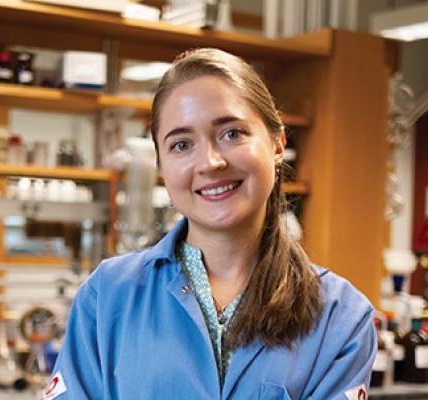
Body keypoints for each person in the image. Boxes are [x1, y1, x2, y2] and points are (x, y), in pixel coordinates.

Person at [45, 48, 376, 400]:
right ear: (162, 166)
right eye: (182, 144)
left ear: (278, 145)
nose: (210, 162)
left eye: (231, 133)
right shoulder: (107, 296)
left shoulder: (341, 317)